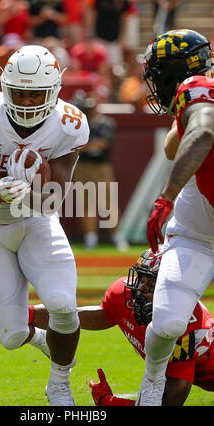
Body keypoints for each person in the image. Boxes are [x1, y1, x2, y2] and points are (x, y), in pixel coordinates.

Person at [0, 45, 89, 406]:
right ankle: (39, 339)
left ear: (54, 92)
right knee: (11, 336)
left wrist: (29, 195)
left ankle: (59, 384)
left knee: (63, 304)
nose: (28, 101)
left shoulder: (68, 124)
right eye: (19, 92)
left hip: (36, 221)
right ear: (4, 87)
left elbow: (54, 198)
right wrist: (0, 193)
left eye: (36, 93)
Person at [15, 248, 214, 406]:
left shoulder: (184, 323)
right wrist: (25, 314)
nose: (140, 290)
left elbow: (172, 399)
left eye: (151, 284)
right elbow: (81, 317)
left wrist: (112, 402)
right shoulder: (123, 294)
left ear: (168, 288)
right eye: (141, 279)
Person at [136, 29, 214, 405]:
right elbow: (177, 144)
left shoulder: (198, 91)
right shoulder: (198, 91)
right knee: (167, 322)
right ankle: (152, 382)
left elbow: (202, 134)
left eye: (159, 74)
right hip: (197, 232)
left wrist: (165, 197)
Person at [72, 91, 129, 250]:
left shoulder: (106, 123)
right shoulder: (79, 123)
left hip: (101, 167)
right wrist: (86, 147)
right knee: (86, 204)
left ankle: (117, 237)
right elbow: (75, 145)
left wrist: (85, 147)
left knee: (108, 203)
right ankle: (91, 238)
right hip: (82, 166)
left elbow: (103, 143)